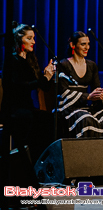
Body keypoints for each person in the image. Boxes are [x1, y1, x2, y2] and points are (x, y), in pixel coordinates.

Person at [0, 22, 56, 164]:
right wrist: (44, 78)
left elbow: (43, 86)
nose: (34, 42)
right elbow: (18, 87)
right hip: (13, 109)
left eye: (33, 38)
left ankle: (41, 163)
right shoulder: (11, 60)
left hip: (27, 107)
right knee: (33, 120)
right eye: (29, 38)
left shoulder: (30, 60)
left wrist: (48, 75)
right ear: (19, 40)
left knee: (49, 119)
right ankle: (29, 164)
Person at [57, 31, 103, 138]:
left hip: (85, 106)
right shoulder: (63, 65)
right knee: (86, 119)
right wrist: (88, 96)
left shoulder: (91, 65)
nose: (87, 47)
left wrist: (99, 95)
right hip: (69, 107)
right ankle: (87, 154)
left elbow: (96, 87)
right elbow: (64, 92)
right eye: (83, 44)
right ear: (72, 45)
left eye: (88, 44)